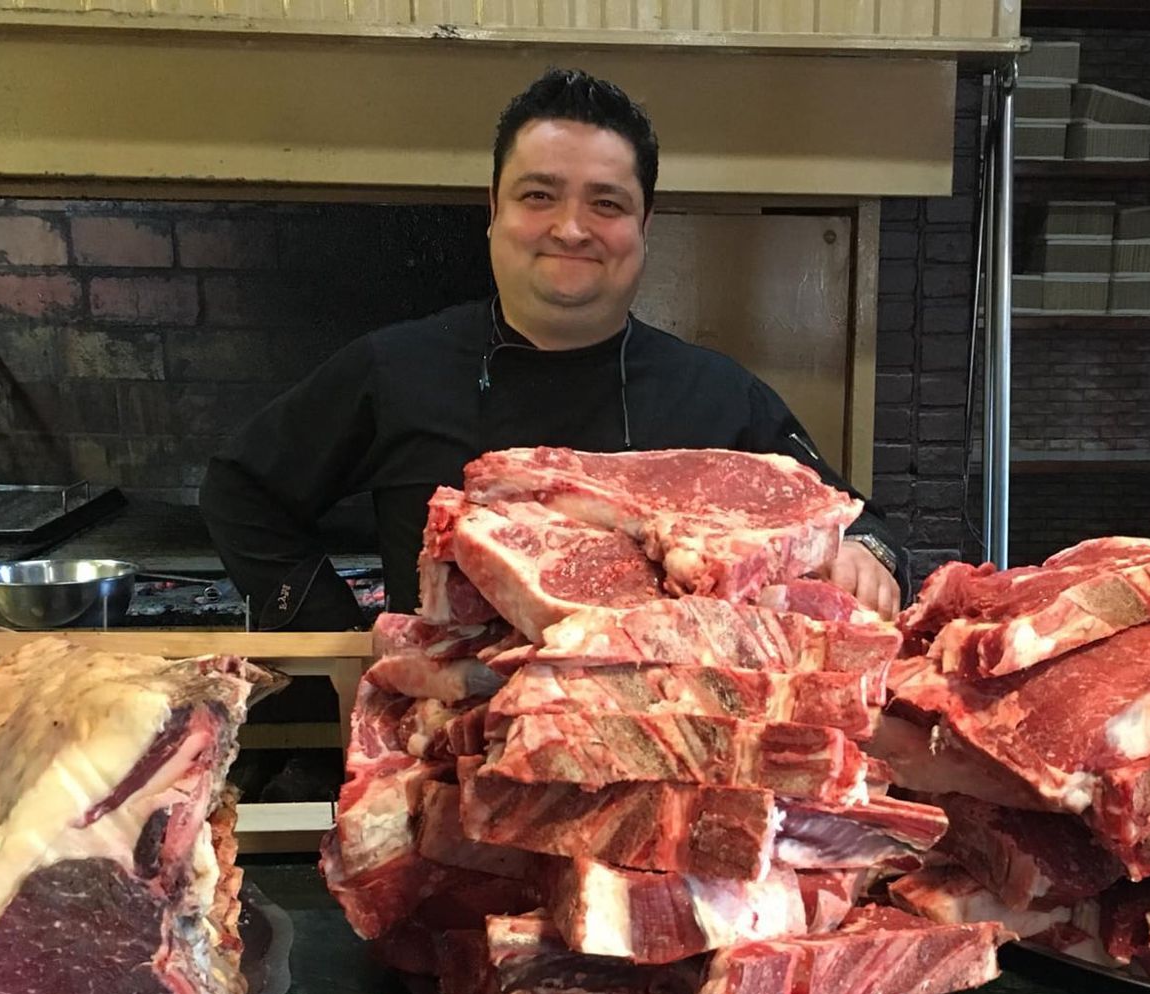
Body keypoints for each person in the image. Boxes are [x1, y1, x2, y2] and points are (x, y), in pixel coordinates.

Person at [199, 67, 904, 630]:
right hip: (449, 756)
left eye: (606, 203)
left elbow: (855, 520)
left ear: (644, 226)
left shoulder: (716, 393)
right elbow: (241, 489)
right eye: (539, 196)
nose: (570, 228)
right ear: (495, 212)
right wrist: (334, 631)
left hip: (658, 760)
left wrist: (866, 555)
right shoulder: (395, 369)